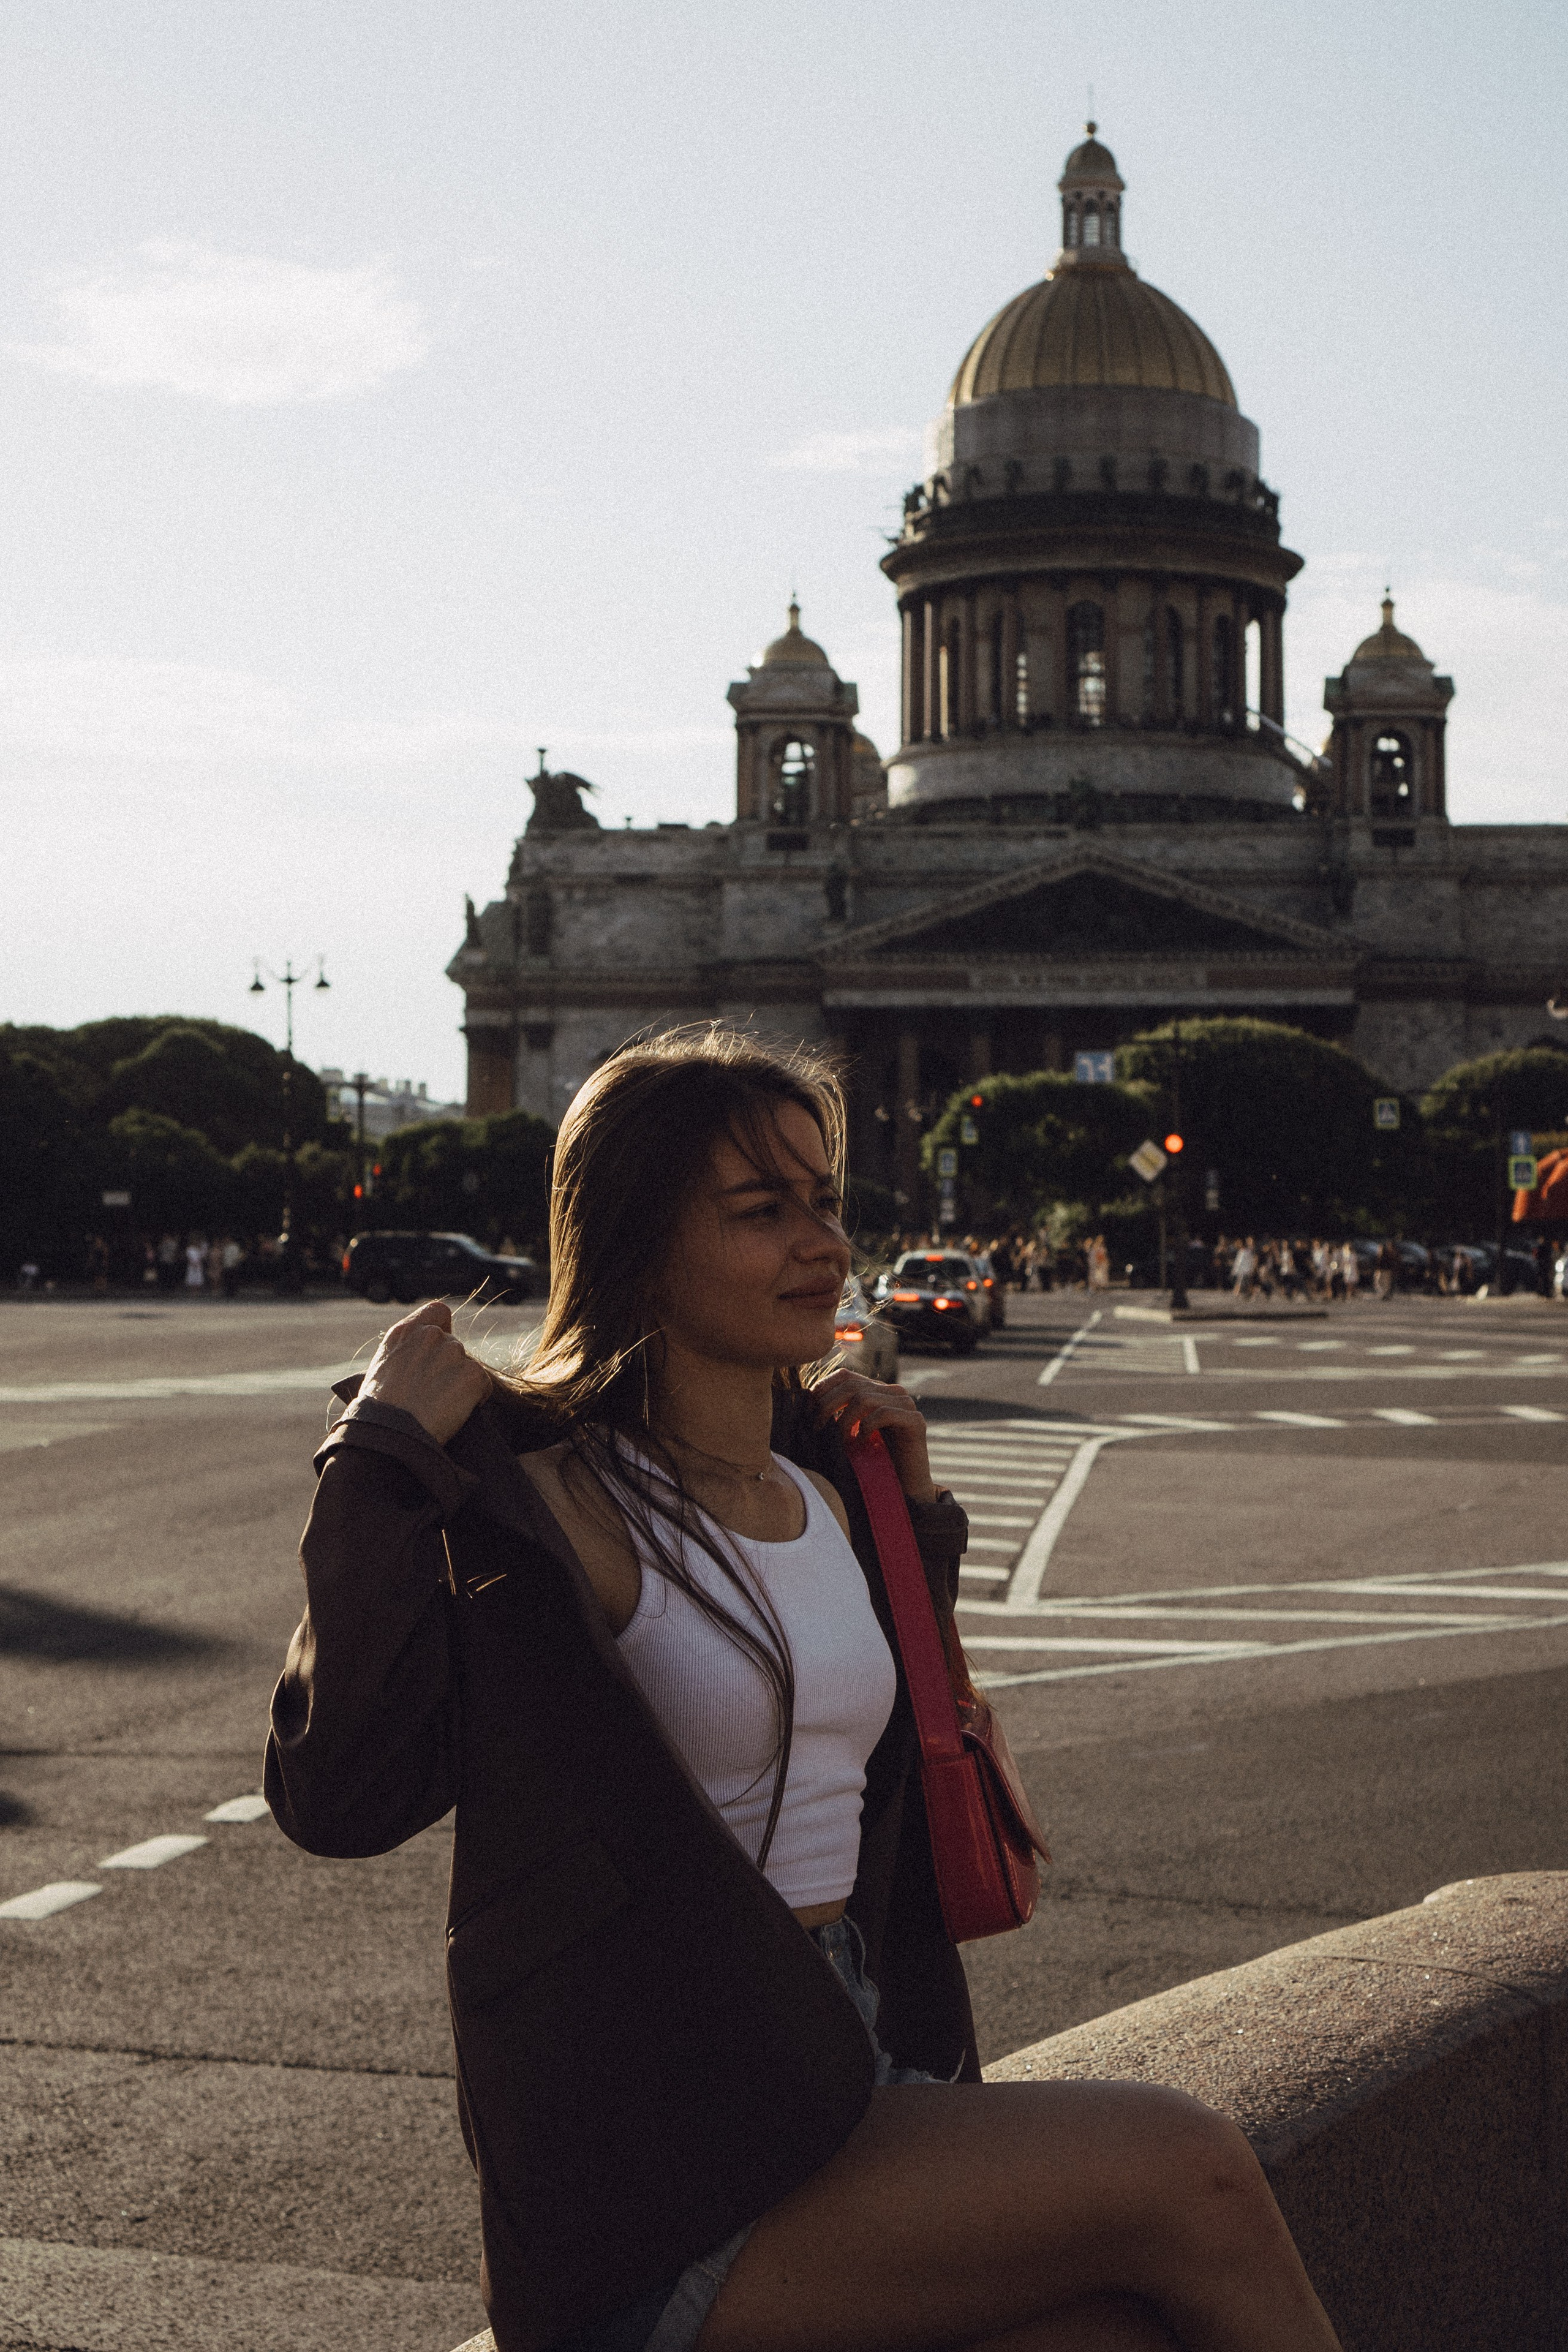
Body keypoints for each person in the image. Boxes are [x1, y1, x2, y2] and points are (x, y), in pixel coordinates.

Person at [266, 1028, 1342, 2352]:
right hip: (657, 2152)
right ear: (635, 1242)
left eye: (824, 1201)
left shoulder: (825, 1491)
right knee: (1189, 2163)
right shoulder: (562, 1512)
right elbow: (340, 1791)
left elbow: (889, 1745)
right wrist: (372, 1460)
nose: (822, 1244)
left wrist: (917, 1523)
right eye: (760, 1211)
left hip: (844, 2062)